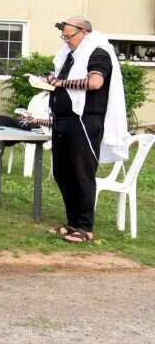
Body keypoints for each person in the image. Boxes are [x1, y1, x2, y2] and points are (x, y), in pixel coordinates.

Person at [47, 17, 129, 243]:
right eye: (63, 36)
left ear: (84, 32)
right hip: (63, 120)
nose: (66, 41)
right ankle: (72, 222)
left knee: (81, 173)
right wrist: (52, 80)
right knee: (63, 173)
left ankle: (85, 227)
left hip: (84, 122)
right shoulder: (69, 56)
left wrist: (62, 84)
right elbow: (61, 80)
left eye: (69, 36)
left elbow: (94, 83)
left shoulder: (98, 52)